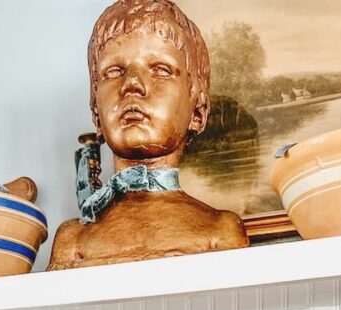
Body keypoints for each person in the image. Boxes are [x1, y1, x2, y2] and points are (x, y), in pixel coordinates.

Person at [49, 0, 248, 269]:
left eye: (160, 69)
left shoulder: (220, 229)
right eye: (114, 71)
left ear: (198, 111)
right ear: (95, 110)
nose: (131, 84)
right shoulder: (71, 240)